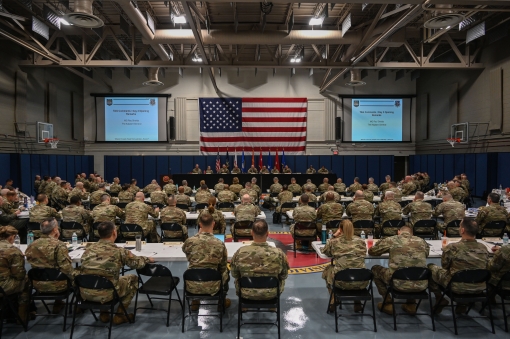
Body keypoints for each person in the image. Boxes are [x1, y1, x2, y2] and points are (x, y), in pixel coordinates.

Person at [79, 221, 154, 324]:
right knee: (133, 279)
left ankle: (104, 313)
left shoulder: (87, 250)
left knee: (99, 276)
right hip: (108, 293)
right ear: (114, 233)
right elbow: (137, 264)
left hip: (85, 293)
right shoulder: (120, 252)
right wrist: (147, 259)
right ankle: (120, 315)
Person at [428, 218, 489, 315]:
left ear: (462, 230)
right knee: (467, 274)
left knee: (431, 267)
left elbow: (445, 266)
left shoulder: (453, 247)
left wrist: (446, 250)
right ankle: (462, 305)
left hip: (456, 286)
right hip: (479, 286)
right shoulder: (484, 247)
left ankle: (440, 298)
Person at [369, 226, 430, 315]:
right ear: (412, 234)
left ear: (398, 232)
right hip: (421, 284)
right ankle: (411, 304)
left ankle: (388, 302)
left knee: (375, 269)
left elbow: (372, 252)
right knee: (413, 269)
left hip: (397, 282)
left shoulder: (392, 240)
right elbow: (426, 254)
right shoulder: (422, 241)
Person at [25, 218, 75, 314]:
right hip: (59, 285)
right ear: (55, 230)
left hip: (37, 284)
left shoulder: (32, 245)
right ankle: (77, 306)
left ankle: (58, 303)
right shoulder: (59, 245)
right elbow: (67, 268)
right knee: (77, 274)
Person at [231, 220, 289, 300]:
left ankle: (244, 307)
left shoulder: (241, 252)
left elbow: (234, 274)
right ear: (267, 234)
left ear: (251, 233)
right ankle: (272, 306)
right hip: (271, 293)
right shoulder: (279, 253)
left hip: (246, 292)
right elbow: (284, 275)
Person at [182, 212, 230, 310]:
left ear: (200, 224)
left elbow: (184, 250)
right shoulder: (219, 244)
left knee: (192, 267)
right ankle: (221, 302)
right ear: (213, 224)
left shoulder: (190, 241)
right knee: (226, 272)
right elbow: (223, 266)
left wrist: (197, 235)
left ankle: (195, 301)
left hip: (192, 285)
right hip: (213, 286)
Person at [321, 220, 368, 313]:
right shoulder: (361, 242)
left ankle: (333, 298)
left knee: (327, 270)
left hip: (341, 281)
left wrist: (334, 235)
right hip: (361, 281)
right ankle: (357, 302)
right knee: (355, 269)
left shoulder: (334, 242)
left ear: (340, 229)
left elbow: (325, 251)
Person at [0, 226, 30, 322]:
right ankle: (22, 315)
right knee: (26, 281)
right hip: (3, 286)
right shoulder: (13, 251)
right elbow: (19, 275)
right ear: (12, 237)